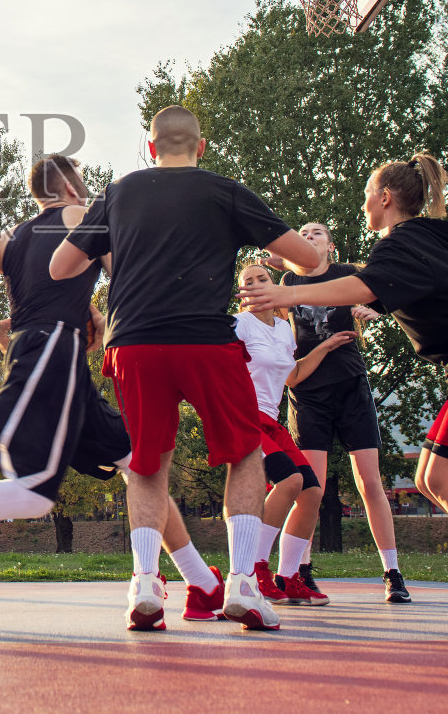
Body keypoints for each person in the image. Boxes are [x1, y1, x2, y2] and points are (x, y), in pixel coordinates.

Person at [0, 154, 233, 630]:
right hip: (52, 352)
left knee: (138, 461)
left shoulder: (12, 237)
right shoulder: (82, 214)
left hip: (54, 352)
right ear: (72, 188)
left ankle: (200, 583)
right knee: (34, 494)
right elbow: (127, 272)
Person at [240, 152, 448, 630]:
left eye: (368, 194)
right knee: (432, 478)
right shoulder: (443, 235)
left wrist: (286, 294)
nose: (364, 203)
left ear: (386, 198)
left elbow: (362, 287)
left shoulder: (399, 247)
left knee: (446, 482)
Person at [47, 106, 324, 632]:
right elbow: (306, 260)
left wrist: (114, 247)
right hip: (204, 340)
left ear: (151, 148)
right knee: (244, 454)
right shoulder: (225, 191)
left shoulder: (120, 191)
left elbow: (61, 266)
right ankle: (243, 581)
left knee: (149, 465)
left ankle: (145, 584)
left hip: (134, 344)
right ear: (200, 147)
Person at [265, 221, 412, 604]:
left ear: (331, 246)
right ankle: (301, 570)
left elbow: (396, 288)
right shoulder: (287, 284)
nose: (309, 236)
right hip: (309, 392)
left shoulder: (348, 275)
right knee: (312, 486)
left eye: (316, 233)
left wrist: (376, 309)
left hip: (350, 385)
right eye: (304, 233)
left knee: (369, 481)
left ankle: (392, 573)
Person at [232, 260, 351, 607]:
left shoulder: (284, 329)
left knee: (313, 491)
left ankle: (289, 577)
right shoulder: (239, 325)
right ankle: (254, 572)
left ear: (273, 285)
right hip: (245, 418)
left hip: (272, 420)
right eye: (248, 281)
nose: (256, 284)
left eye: (262, 278)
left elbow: (293, 375)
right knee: (289, 482)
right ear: (243, 294)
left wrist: (325, 348)